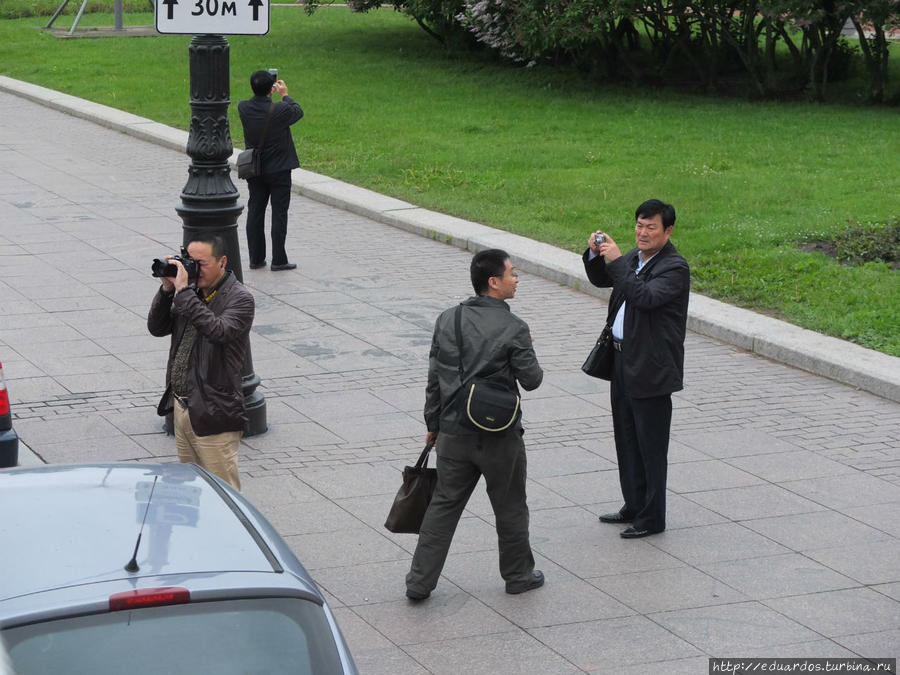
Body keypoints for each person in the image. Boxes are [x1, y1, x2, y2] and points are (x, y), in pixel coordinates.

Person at [405, 249, 544, 601]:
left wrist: (433, 424)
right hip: (500, 436)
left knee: (443, 506)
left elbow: (434, 377)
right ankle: (518, 576)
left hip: (453, 432)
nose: (517, 279)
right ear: (494, 282)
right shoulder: (514, 328)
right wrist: (526, 350)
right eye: (512, 273)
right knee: (510, 505)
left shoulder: (447, 319)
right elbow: (532, 380)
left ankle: (418, 582)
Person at [583, 199, 690, 538]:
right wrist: (594, 254)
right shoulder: (633, 258)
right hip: (622, 362)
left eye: (651, 228)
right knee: (627, 438)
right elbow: (604, 279)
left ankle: (651, 518)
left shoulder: (674, 267)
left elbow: (643, 296)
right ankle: (633, 504)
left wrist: (617, 262)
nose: (642, 234)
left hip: (652, 369)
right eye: (639, 226)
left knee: (651, 446)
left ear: (667, 231)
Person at [148, 233, 255, 490]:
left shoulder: (239, 298)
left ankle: (232, 531)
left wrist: (184, 294)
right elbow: (157, 327)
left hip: (215, 410)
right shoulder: (191, 292)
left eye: (202, 263)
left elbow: (218, 331)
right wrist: (167, 290)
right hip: (184, 408)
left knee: (224, 493)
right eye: (190, 261)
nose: (194, 269)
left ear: (222, 262)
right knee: (193, 490)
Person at [237, 70, 304, 271]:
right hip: (280, 169)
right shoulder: (281, 110)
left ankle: (256, 259)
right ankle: (279, 259)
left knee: (255, 210)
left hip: (255, 169)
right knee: (279, 213)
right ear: (272, 88)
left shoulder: (243, 107)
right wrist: (284, 94)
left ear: (251, 88)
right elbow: (297, 111)